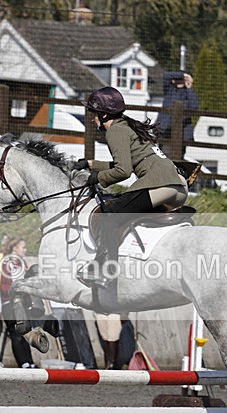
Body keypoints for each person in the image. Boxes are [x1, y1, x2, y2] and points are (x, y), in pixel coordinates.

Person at [74, 86, 188, 287]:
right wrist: (91, 164)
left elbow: (123, 171)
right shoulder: (126, 126)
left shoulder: (115, 131)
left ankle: (106, 272)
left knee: (110, 214)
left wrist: (97, 178)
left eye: (94, 114)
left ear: (104, 114)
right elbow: (125, 164)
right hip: (176, 184)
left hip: (160, 184)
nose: (92, 119)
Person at [0, 237, 38, 369]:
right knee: (16, 333)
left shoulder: (22, 263)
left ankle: (29, 361)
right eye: (23, 247)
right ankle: (23, 362)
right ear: (15, 248)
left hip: (23, 303)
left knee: (26, 332)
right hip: (9, 304)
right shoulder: (5, 263)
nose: (25, 250)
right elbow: (2, 286)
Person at [155, 71, 198, 158]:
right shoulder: (169, 90)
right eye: (179, 79)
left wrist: (189, 88)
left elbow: (194, 106)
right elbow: (166, 76)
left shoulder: (188, 93)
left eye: (182, 80)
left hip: (182, 132)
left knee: (179, 157)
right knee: (165, 156)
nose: (180, 81)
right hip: (166, 130)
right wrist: (183, 75)